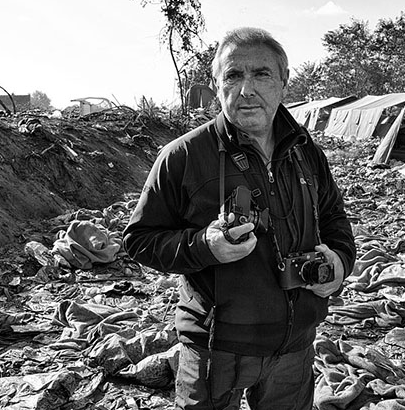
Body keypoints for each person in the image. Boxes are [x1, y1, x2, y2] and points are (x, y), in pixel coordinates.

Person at [124, 27, 356, 410]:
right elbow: (140, 239)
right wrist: (205, 246)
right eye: (233, 75)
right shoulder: (183, 156)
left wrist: (339, 264)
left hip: (295, 348)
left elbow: (333, 217)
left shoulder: (305, 150)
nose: (246, 89)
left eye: (261, 74)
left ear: (284, 82)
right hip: (217, 350)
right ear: (217, 86)